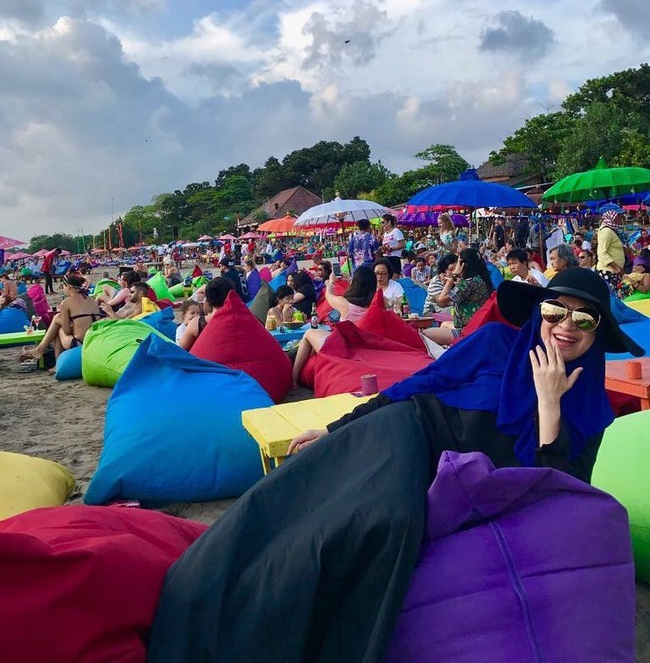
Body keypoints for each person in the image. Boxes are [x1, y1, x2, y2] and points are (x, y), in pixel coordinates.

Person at [147, 269, 643, 663]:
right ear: (539, 312)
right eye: (555, 311)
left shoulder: (590, 409)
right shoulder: (495, 344)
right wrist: (336, 428)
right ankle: (212, 605)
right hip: (405, 436)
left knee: (384, 531)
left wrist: (550, 405)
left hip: (454, 488)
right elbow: (414, 388)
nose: (565, 326)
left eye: (584, 319)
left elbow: (561, 493)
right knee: (366, 525)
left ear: (598, 331)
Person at [290, 265, 376, 388]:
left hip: (343, 347)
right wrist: (349, 279)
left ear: (355, 283)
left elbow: (328, 296)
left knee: (309, 333)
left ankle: (294, 378)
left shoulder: (345, 304)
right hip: (362, 346)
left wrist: (330, 282)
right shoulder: (375, 303)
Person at [21, 275, 101, 363]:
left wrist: (69, 324)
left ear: (69, 287)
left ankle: (43, 353)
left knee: (58, 326)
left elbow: (67, 331)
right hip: (95, 340)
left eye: (63, 286)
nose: (63, 289)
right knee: (58, 320)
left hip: (80, 343)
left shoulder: (66, 303)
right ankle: (41, 351)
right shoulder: (92, 300)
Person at [423, 248, 493, 345]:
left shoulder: (468, 282)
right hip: (477, 326)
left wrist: (453, 277)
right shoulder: (480, 278)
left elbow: (441, 300)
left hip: (467, 331)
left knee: (426, 334)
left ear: (463, 265)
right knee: (444, 324)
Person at [178, 277, 234, 351]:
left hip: (206, 358)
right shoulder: (243, 318)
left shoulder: (197, 323)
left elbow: (180, 350)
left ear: (208, 300)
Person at [596, 210, 625, 293]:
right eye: (618, 217)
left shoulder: (611, 231)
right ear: (612, 218)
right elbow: (602, 252)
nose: (621, 219)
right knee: (612, 296)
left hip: (613, 271)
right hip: (608, 271)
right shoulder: (606, 231)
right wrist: (616, 267)